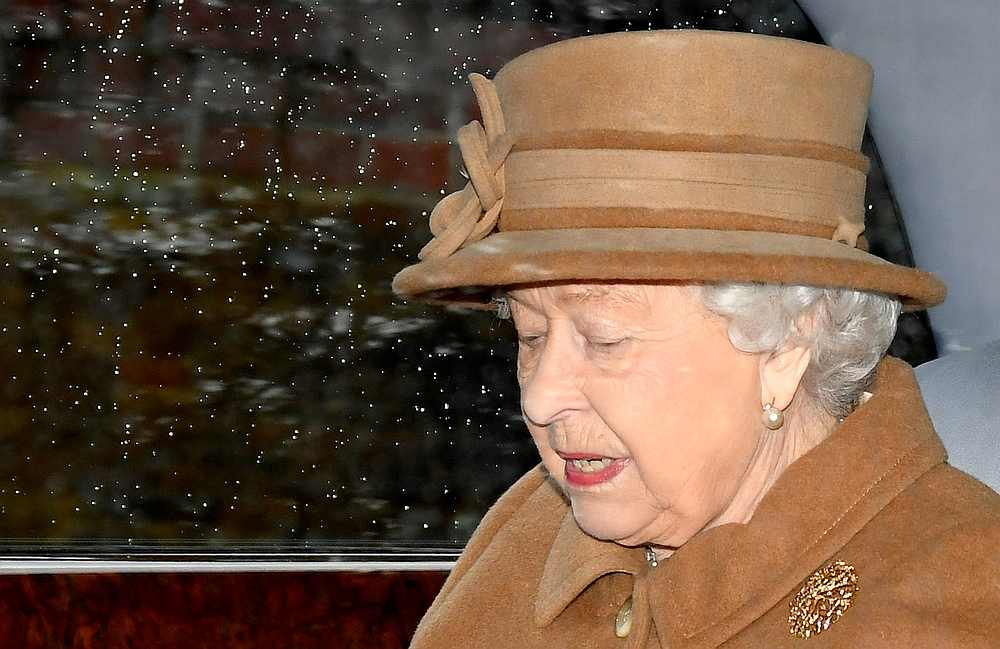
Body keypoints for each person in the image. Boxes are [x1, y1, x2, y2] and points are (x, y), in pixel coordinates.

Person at [391, 29, 1000, 648]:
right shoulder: (528, 529)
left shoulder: (961, 602)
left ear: (787, 345)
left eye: (605, 340)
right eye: (531, 336)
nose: (541, 398)